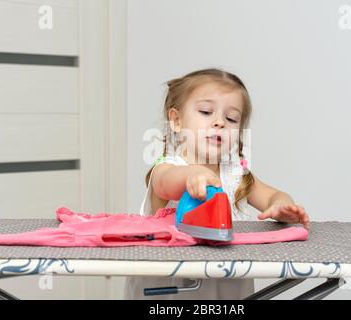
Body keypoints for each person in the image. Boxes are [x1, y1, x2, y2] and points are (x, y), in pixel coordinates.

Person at [123, 68, 309, 299]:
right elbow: (165, 183)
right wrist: (191, 175)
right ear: (177, 120)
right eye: (206, 111)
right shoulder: (168, 166)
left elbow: (273, 196)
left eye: (231, 119)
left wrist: (282, 207)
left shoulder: (236, 175)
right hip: (168, 290)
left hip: (227, 287)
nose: (219, 122)